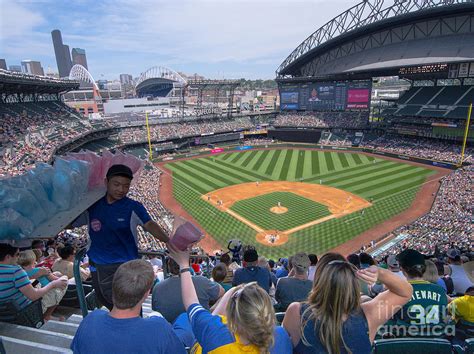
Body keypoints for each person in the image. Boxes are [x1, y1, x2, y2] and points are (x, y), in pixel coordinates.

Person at [70, 164, 171, 310]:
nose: (121, 190)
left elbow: (149, 224)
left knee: (130, 307)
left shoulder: (133, 206)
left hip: (126, 267)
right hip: (99, 266)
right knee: (106, 302)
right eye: (116, 184)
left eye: (126, 186)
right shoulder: (92, 205)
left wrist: (168, 241)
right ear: (106, 182)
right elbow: (72, 223)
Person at [168, 244, 293, 354]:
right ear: (268, 313)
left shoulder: (215, 332)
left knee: (184, 319)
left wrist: (184, 265)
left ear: (233, 316)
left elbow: (191, 303)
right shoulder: (281, 337)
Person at [282, 253, 412, 354]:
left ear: (319, 281)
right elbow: (405, 292)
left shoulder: (296, 312)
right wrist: (379, 272)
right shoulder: (369, 315)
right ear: (351, 284)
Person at [71, 259, 186, 354]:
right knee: (184, 320)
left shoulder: (90, 320)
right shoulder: (158, 329)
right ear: (147, 293)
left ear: (114, 285)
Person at [390, 249, 449, 337]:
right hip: (437, 343)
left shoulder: (397, 292)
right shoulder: (439, 290)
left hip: (407, 345)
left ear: (402, 269)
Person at [0, 244, 67, 317]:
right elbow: (34, 296)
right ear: (8, 257)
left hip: (5, 314)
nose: (18, 257)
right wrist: (53, 284)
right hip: (25, 313)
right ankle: (47, 316)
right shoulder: (16, 271)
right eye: (17, 255)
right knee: (63, 283)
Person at [152, 257, 224, 323]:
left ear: (169, 266)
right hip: (198, 332)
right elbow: (222, 292)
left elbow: (155, 310)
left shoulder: (157, 287)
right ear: (188, 265)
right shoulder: (202, 281)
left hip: (169, 333)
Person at [17, 250, 68, 321]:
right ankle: (47, 315)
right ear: (33, 260)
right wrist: (64, 276)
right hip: (44, 293)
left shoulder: (20, 273)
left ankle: (47, 315)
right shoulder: (41, 270)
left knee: (57, 274)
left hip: (33, 295)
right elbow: (55, 279)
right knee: (63, 282)